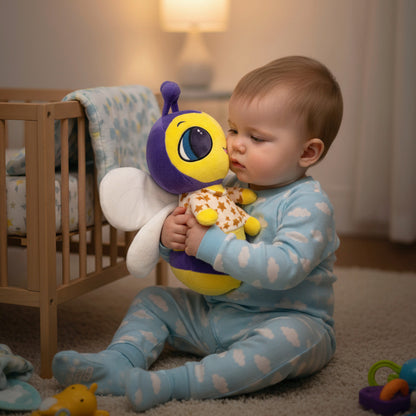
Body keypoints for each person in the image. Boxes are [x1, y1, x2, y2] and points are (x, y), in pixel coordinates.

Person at [53, 55, 343, 412]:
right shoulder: (224, 187)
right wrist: (169, 237)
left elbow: (283, 268)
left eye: (257, 137)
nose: (235, 143)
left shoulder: (309, 204)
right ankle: (119, 361)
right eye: (234, 129)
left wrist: (211, 245)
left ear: (307, 151)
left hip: (281, 318)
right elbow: (192, 251)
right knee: (153, 300)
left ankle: (174, 383)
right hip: (214, 313)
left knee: (291, 342)